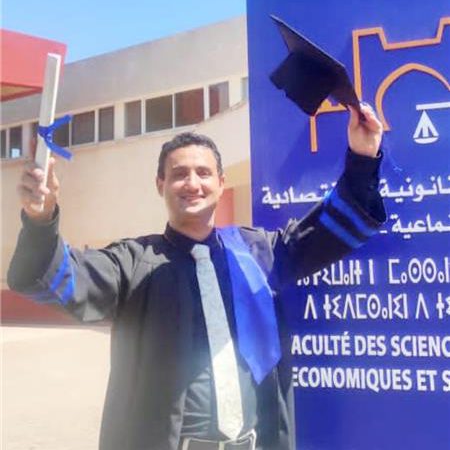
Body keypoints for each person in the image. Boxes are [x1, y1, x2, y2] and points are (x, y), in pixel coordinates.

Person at [8, 104, 385, 450]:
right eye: (179, 175)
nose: (193, 183)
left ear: (220, 182)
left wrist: (363, 158)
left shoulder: (257, 253)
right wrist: (41, 221)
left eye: (203, 173)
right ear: (160, 185)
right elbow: (59, 279)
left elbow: (329, 232)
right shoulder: (133, 263)